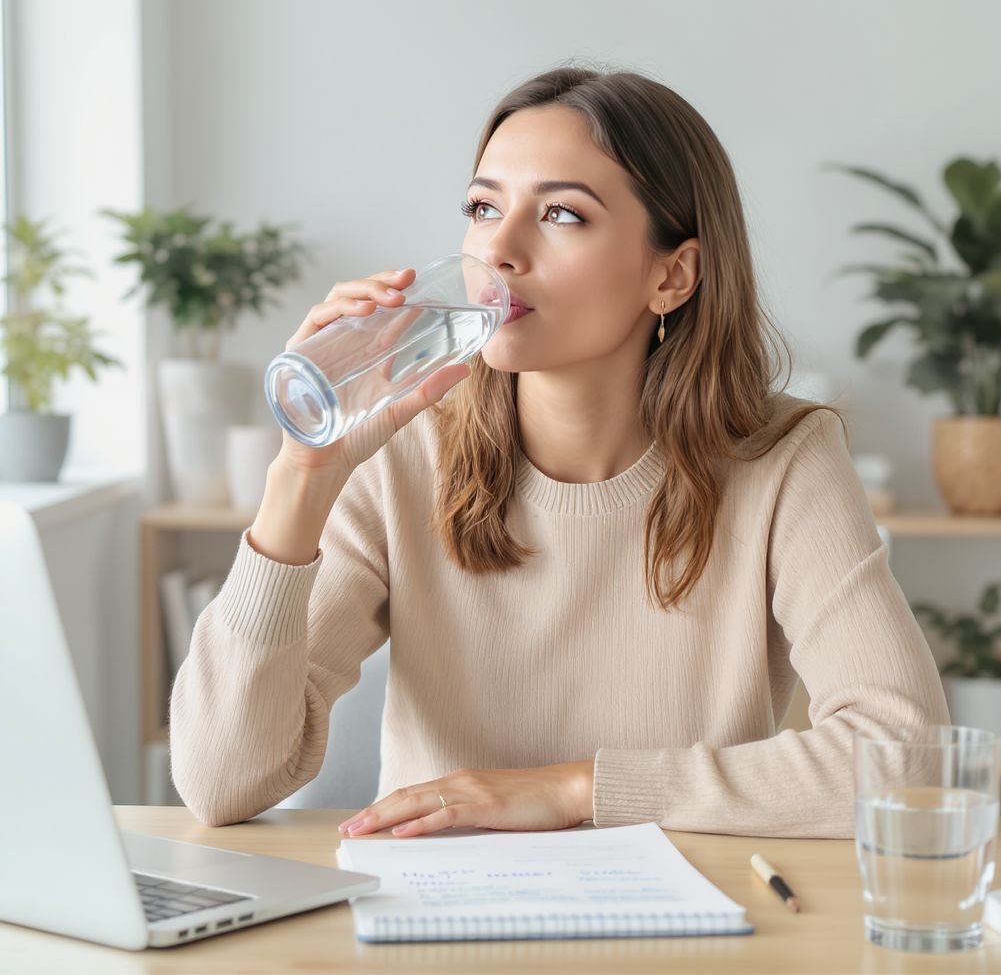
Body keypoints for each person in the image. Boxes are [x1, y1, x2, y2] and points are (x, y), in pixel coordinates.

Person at [169, 65, 948, 837]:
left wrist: (577, 790)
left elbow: (907, 758)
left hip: (688, 910)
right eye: (483, 207)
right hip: (434, 907)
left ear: (673, 275)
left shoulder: (784, 460)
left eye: (562, 215)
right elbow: (220, 784)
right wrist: (302, 475)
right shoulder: (400, 450)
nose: (500, 251)